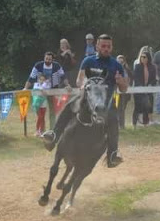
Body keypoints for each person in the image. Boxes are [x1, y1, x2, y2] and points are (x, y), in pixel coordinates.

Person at [43, 34, 128, 168]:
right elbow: (79, 79)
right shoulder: (88, 61)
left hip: (106, 103)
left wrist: (120, 81)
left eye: (109, 46)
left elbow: (124, 89)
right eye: (103, 46)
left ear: (111, 48)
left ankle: (112, 155)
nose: (106, 49)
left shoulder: (117, 65)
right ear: (97, 46)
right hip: (87, 98)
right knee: (68, 108)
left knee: (113, 122)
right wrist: (83, 84)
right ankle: (53, 136)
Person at [24, 51, 68, 132]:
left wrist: (67, 85)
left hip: (53, 90)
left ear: (52, 60)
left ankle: (52, 130)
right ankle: (42, 130)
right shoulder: (38, 65)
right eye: (46, 58)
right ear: (44, 58)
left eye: (49, 59)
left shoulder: (57, 66)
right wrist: (25, 88)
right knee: (40, 112)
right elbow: (31, 77)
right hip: (40, 92)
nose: (47, 60)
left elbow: (63, 76)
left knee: (53, 111)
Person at [132, 47, 156, 129]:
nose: (142, 58)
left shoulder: (152, 67)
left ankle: (145, 124)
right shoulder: (137, 66)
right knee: (137, 107)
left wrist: (150, 85)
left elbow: (154, 79)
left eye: (144, 57)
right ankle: (134, 124)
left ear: (148, 58)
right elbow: (135, 78)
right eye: (141, 57)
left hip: (148, 90)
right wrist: (141, 87)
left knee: (147, 107)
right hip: (138, 90)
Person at [116, 55, 132, 129]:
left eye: (122, 61)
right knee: (116, 109)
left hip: (125, 93)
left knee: (122, 109)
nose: (120, 63)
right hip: (115, 92)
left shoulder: (127, 70)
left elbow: (130, 80)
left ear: (124, 62)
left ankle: (122, 125)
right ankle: (116, 125)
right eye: (119, 61)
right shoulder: (113, 69)